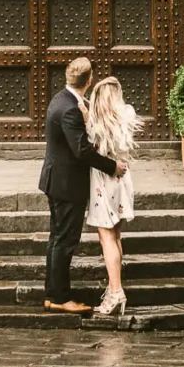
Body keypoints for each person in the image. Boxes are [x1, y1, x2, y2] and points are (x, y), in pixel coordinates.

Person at [38, 57, 126, 314]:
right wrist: (112, 166)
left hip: (58, 181)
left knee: (57, 239)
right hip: (67, 185)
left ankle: (53, 294)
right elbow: (82, 151)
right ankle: (60, 298)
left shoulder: (60, 99)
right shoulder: (70, 108)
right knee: (65, 240)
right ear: (89, 80)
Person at [83, 74, 142, 317]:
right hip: (122, 179)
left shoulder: (95, 124)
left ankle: (117, 291)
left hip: (103, 182)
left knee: (106, 236)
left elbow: (89, 148)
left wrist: (86, 115)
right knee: (116, 234)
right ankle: (112, 286)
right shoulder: (126, 115)